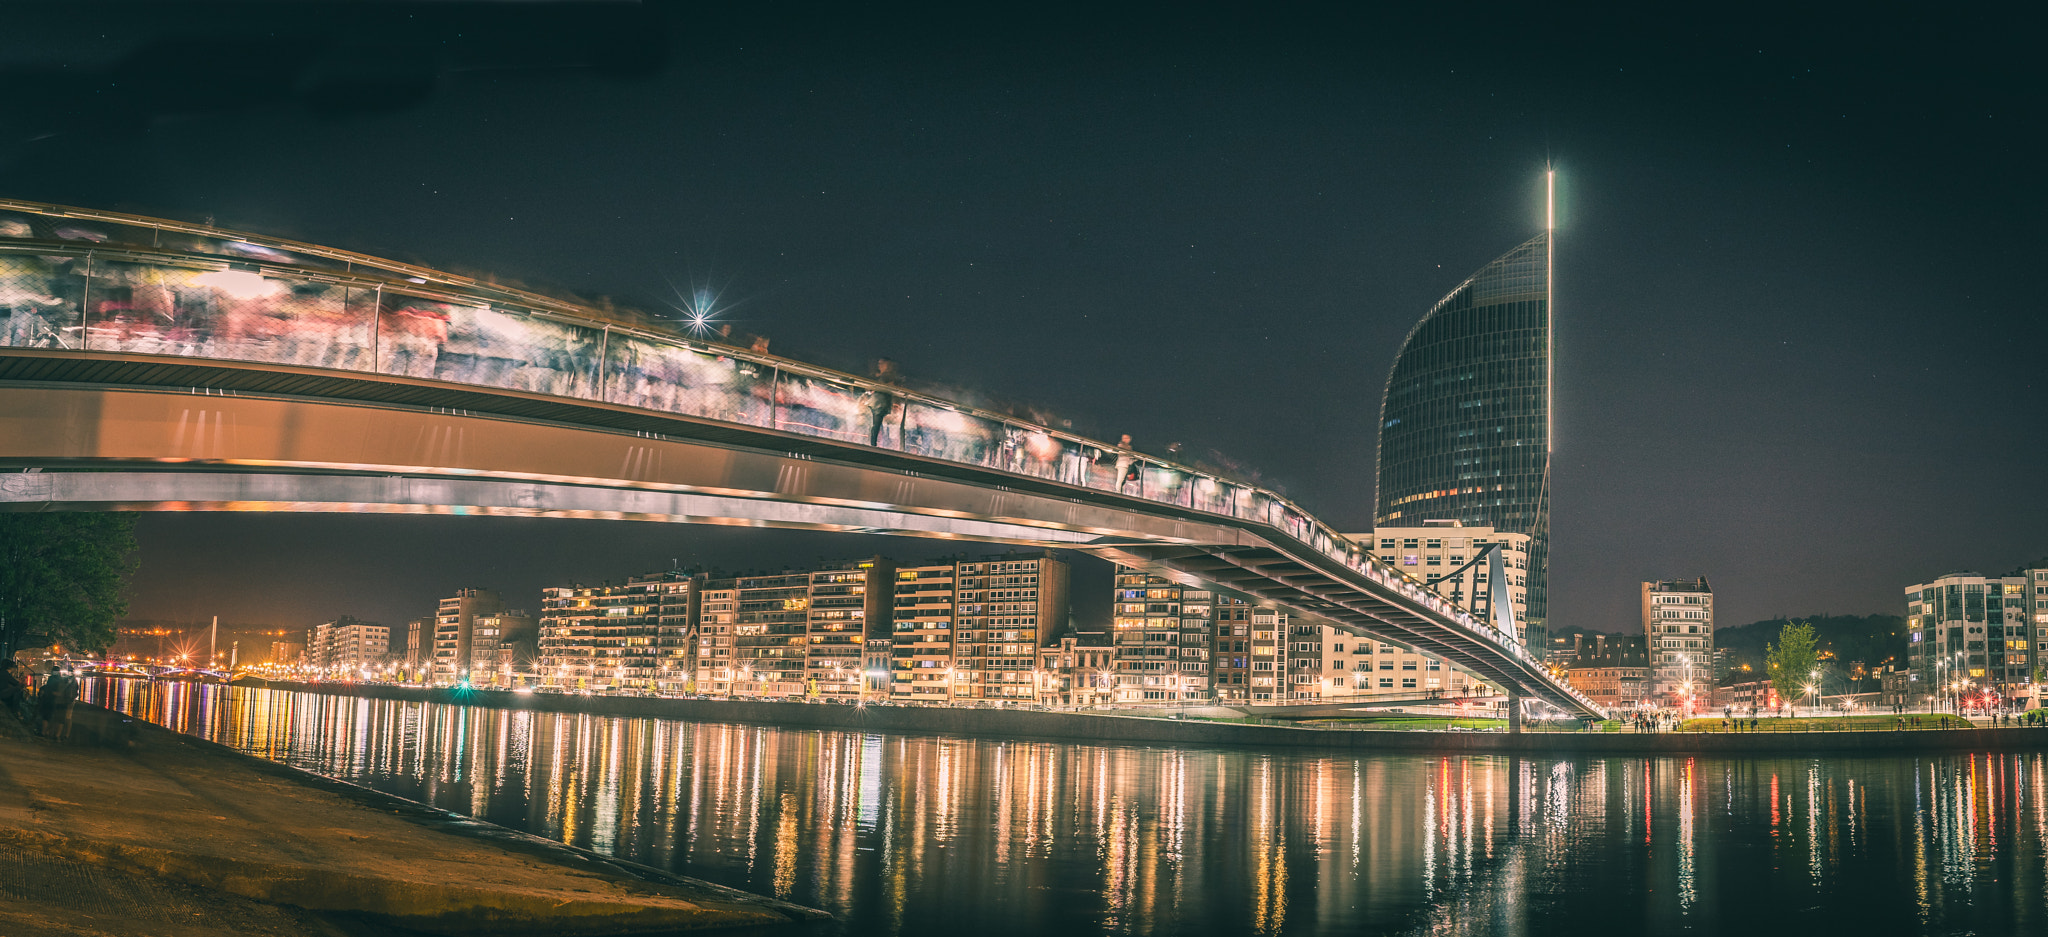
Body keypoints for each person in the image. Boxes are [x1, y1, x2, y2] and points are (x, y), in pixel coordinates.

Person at [37, 667, 79, 741]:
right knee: (61, 719)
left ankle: (47, 733)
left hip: (59, 701)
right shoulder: (71, 681)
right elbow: (75, 692)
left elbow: (50, 688)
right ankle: (58, 735)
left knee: (52, 717)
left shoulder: (57, 679)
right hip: (65, 701)